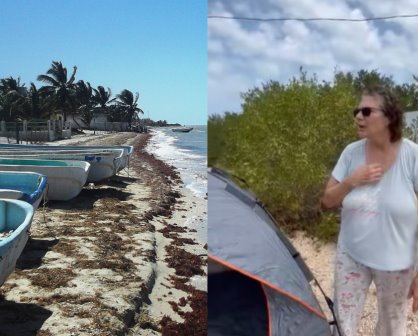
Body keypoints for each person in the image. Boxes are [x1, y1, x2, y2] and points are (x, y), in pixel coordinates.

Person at [321, 85, 418, 336]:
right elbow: (328, 200)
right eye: (357, 111)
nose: (358, 116)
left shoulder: (412, 155)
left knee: (392, 325)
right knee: (344, 323)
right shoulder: (351, 153)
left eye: (366, 111)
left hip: (397, 258)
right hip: (351, 253)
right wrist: (352, 181)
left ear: (388, 117)